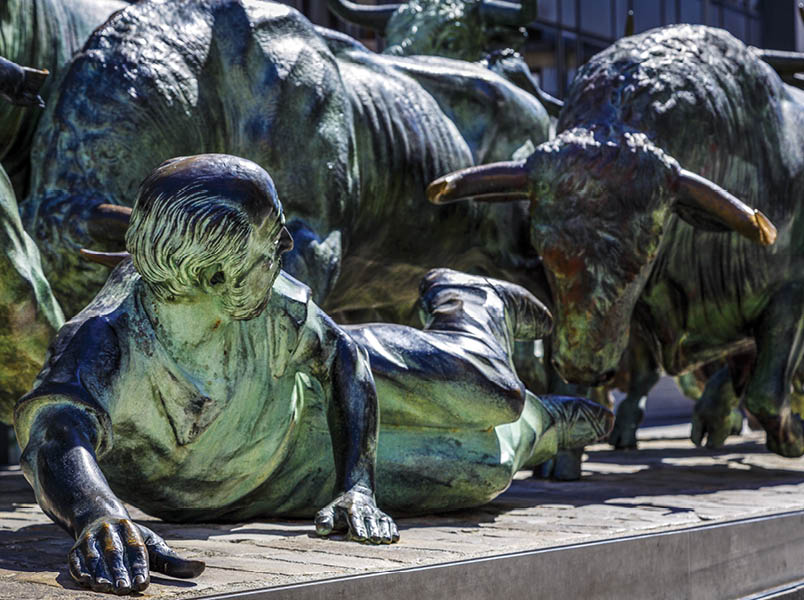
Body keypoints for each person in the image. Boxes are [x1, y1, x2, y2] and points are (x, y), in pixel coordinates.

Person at [14, 154, 612, 594]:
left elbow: (343, 358)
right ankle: (549, 426)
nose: (285, 255)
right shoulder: (105, 338)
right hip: (265, 482)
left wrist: (358, 485)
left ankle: (467, 302)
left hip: (312, 405)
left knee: (489, 394)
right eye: (272, 245)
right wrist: (95, 512)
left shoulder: (263, 292)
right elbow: (56, 435)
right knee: (481, 473)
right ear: (216, 278)